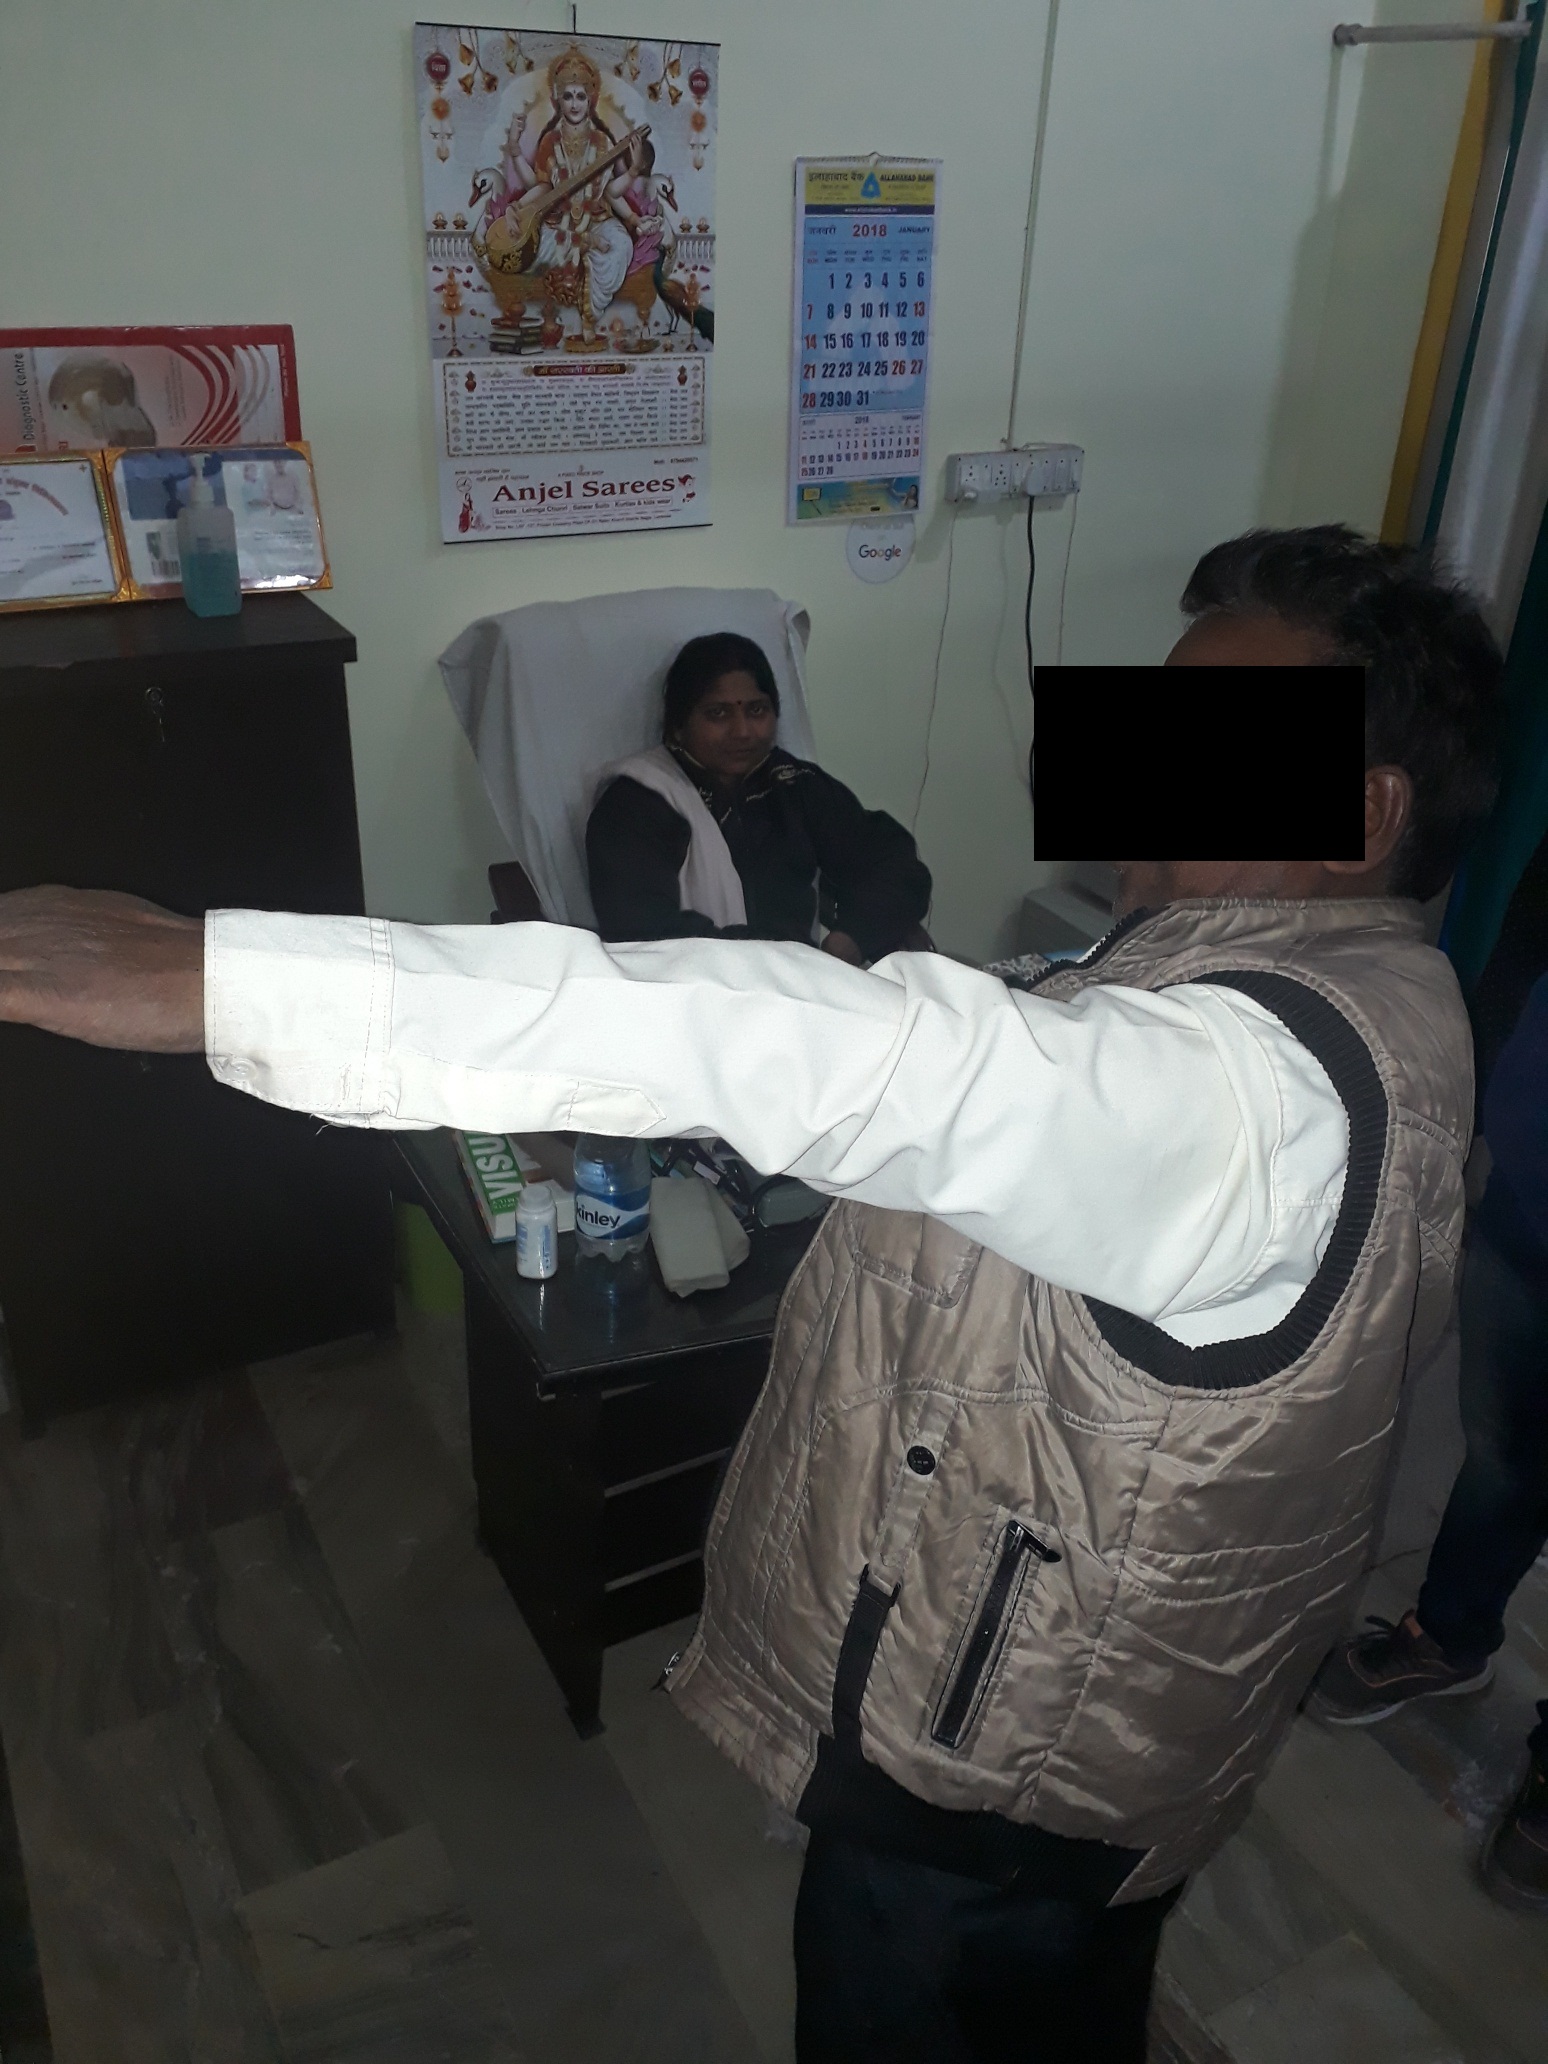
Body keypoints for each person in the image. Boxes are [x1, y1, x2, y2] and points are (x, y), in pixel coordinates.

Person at [0, 526, 1504, 2062]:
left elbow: (824, 1045)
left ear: (1362, 812)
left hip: (998, 1784)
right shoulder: (1380, 993)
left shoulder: (1256, 1097)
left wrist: (234, 982)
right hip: (1114, 1734)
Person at [1308, 833, 1548, 1912]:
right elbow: (1528, 934)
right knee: (1499, 1450)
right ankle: (1449, 1634)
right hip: (1535, 1196)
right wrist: (1479, 1088)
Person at [585, 629, 933, 964]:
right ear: (678, 724)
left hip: (806, 982)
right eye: (718, 713)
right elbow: (643, 932)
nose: (742, 731)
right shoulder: (636, 803)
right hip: (689, 988)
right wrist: (787, 963)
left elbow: (895, 865)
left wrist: (852, 937)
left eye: (757, 710)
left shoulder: (792, 785)